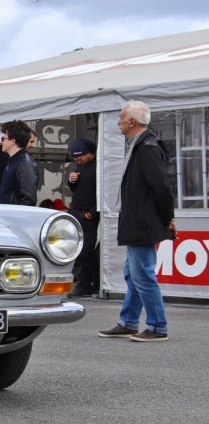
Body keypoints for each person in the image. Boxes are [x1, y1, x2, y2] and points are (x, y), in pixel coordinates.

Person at [99, 101, 175, 342]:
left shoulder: (147, 146)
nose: (118, 121)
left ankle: (157, 326)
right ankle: (129, 322)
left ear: (132, 121)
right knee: (133, 273)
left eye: (121, 117)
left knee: (142, 274)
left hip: (144, 221)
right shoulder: (139, 144)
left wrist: (167, 218)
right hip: (138, 220)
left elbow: (162, 187)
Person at [67, 139, 100, 297]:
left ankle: (95, 280)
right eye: (75, 160)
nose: (78, 162)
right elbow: (77, 188)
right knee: (75, 249)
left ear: (90, 154)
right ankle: (83, 283)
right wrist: (71, 180)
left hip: (88, 213)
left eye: (80, 158)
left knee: (86, 249)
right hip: (76, 209)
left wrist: (93, 212)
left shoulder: (99, 166)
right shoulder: (80, 164)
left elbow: (103, 190)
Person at [0, 120, 38, 206]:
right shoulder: (14, 160)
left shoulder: (25, 163)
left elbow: (29, 199)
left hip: (13, 217)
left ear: (13, 141)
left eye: (3, 139)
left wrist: (17, 217)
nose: (0, 142)